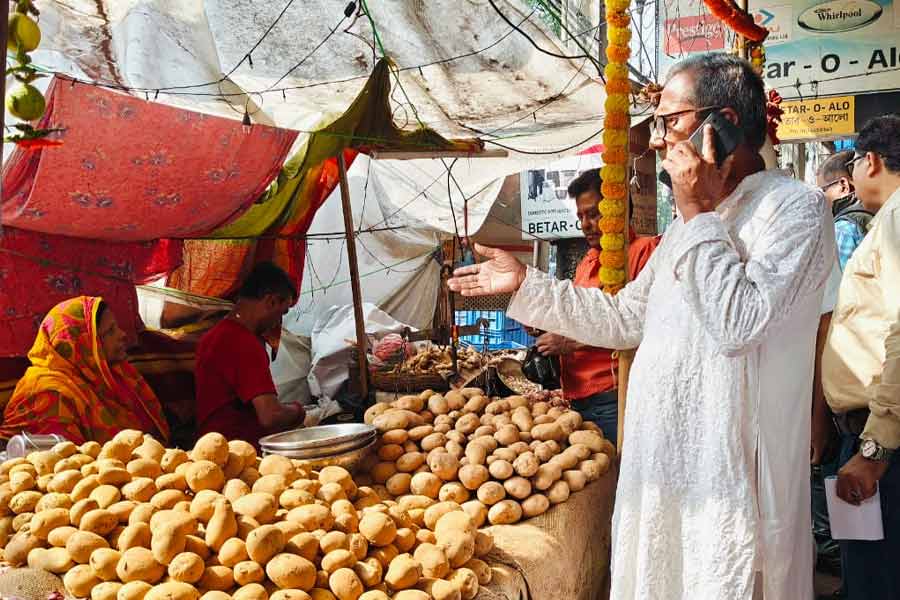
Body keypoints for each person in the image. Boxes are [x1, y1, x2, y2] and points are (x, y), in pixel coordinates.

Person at [449, 53, 833, 600]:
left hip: (732, 476)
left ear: (720, 122)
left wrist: (697, 209)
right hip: (666, 463)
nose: (657, 140)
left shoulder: (795, 209)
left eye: (671, 121)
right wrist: (526, 285)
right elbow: (626, 317)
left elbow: (740, 325)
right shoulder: (688, 226)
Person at [822, 114, 900, 600]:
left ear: (870, 161)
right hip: (874, 435)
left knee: (875, 583)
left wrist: (875, 450)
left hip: (883, 446)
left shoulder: (895, 219)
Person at [532, 170, 660, 446]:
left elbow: (644, 324)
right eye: (580, 217)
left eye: (594, 214)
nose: (586, 224)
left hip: (615, 396)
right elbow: (581, 314)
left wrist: (573, 341)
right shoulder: (588, 261)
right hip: (579, 399)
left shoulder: (645, 252)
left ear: (617, 210)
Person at [810, 151, 874, 584]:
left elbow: (834, 319)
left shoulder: (848, 230)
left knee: (865, 541)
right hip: (864, 413)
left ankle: (856, 579)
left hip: (866, 417)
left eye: (825, 190)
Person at [0, 296, 170, 444]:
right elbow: (62, 464)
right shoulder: (49, 394)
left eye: (116, 327)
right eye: (110, 331)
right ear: (82, 345)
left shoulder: (115, 374)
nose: (122, 335)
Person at [195, 261, 305, 448]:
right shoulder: (242, 341)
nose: (278, 321)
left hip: (213, 446)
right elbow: (270, 416)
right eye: (282, 312)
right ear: (271, 301)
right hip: (239, 452)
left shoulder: (215, 335)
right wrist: (299, 411)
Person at [816, 150, 872, 270]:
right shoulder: (880, 209)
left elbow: (838, 284)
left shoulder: (844, 228)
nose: (820, 198)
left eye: (822, 191)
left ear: (843, 185)